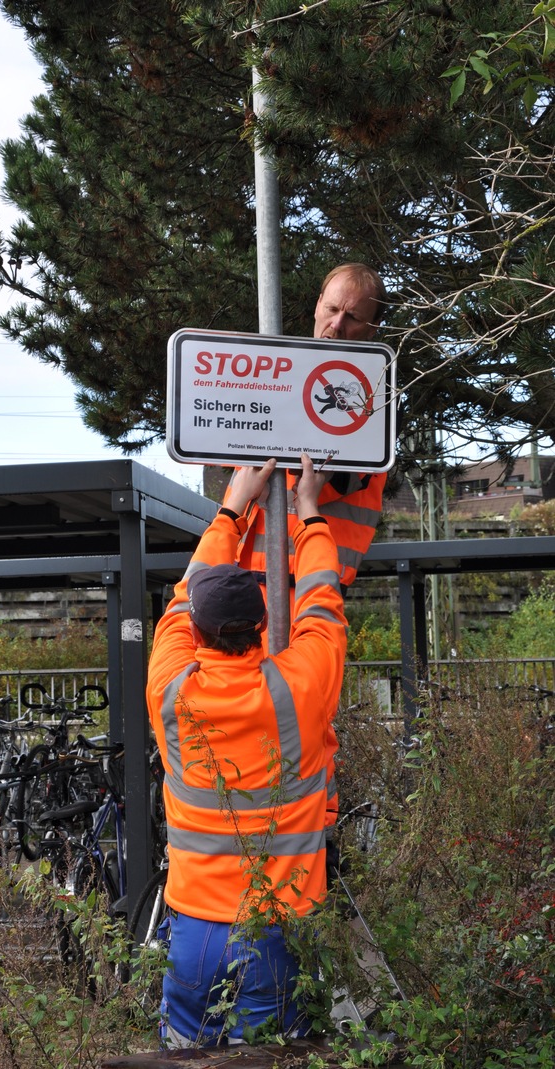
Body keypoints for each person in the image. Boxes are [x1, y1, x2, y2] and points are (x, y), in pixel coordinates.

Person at [146, 453, 348, 1047]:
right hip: (276, 929)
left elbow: (185, 595)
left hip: (191, 932)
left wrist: (234, 506)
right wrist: (309, 513)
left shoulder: (171, 686)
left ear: (197, 631)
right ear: (263, 626)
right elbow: (319, 602)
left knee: (183, 1056)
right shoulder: (300, 687)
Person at [222, 263, 389, 845]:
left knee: (304, 733)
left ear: (370, 331)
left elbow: (324, 480)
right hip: (245, 599)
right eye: (331, 308)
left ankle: (314, 857)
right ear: (315, 303)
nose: (336, 325)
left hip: (308, 602)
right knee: (236, 738)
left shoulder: (364, 406)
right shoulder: (283, 384)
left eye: (353, 317)